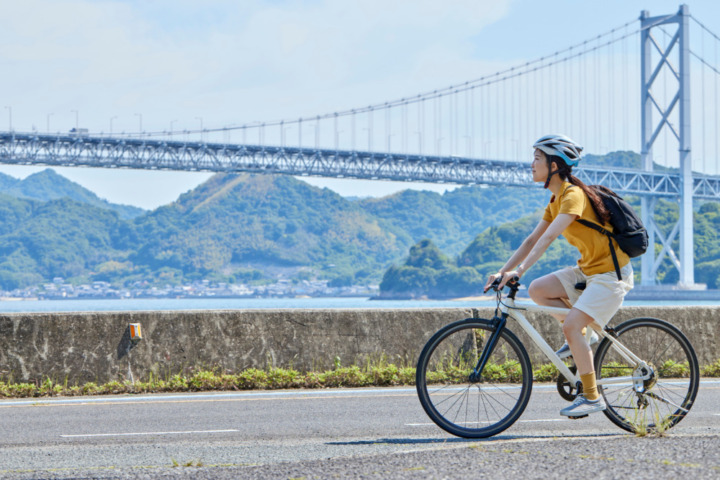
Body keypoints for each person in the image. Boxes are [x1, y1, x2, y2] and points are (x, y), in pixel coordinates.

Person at [483, 134, 634, 418]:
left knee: (571, 327)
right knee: (539, 290)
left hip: (610, 276)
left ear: (554, 165)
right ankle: (585, 337)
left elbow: (550, 237)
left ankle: (591, 396)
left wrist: (520, 271)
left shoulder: (573, 195)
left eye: (537, 159)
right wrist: (503, 272)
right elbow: (531, 240)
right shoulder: (556, 198)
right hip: (589, 272)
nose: (531, 164)